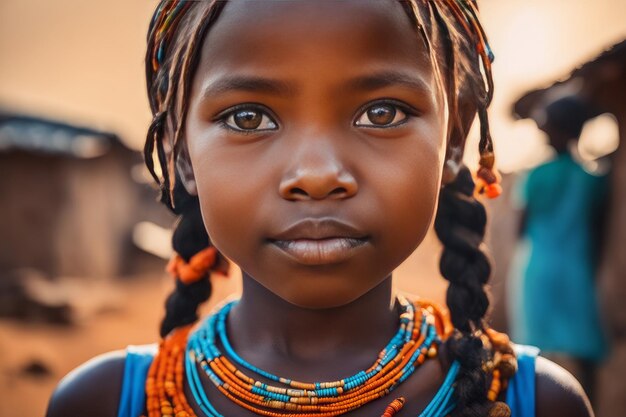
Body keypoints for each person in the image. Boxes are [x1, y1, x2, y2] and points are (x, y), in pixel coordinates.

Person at [46, 1, 593, 417]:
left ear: (455, 139)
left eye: (381, 113)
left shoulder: (535, 401)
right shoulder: (100, 401)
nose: (316, 174)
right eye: (249, 118)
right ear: (181, 153)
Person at [508, 96, 609, 401]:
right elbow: (598, 229)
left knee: (536, 355)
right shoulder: (592, 179)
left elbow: (520, 229)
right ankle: (591, 407)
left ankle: (537, 407)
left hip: (538, 268)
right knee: (584, 349)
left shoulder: (536, 175)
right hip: (577, 270)